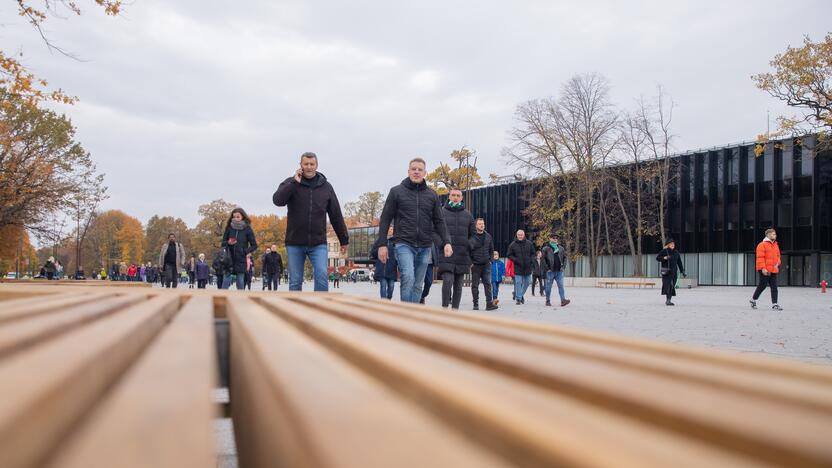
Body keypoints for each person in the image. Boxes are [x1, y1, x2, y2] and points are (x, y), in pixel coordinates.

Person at [376, 158, 452, 303]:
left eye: (420, 169)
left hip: (425, 246)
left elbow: (439, 221)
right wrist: (382, 244)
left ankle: (413, 313)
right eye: (413, 169)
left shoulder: (432, 195)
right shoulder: (396, 192)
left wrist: (447, 241)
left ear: (425, 173)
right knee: (408, 277)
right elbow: (385, 218)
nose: (416, 172)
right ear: (408, 171)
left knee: (418, 284)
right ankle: (406, 316)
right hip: (404, 243)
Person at [273, 152, 349, 292]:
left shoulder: (326, 187)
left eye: (311, 164)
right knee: (295, 281)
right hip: (295, 242)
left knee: (321, 275)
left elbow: (336, 215)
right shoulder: (291, 183)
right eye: (306, 164)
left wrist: (343, 239)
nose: (309, 167)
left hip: (318, 243)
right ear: (300, 165)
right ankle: (295, 312)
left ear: (316, 165)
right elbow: (278, 201)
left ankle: (320, 309)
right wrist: (294, 182)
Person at [435, 189, 475, 310]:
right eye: (453, 195)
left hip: (462, 255)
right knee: (447, 281)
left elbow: (474, 235)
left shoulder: (468, 215)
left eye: (458, 195)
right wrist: (442, 244)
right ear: (449, 197)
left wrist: (469, 244)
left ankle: (455, 310)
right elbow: (434, 232)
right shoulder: (441, 212)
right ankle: (444, 308)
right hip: (446, 254)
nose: (456, 197)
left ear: (462, 198)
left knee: (458, 286)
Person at [221, 208, 258, 290]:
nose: (236, 219)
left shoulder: (247, 229)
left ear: (243, 217)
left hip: (240, 259)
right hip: (229, 258)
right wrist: (228, 243)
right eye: (234, 217)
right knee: (226, 281)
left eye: (238, 217)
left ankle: (241, 300)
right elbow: (223, 243)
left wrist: (244, 251)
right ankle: (222, 299)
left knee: (240, 282)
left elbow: (254, 245)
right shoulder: (229, 228)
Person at [469, 218, 498, 311]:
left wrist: (491, 260)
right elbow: (468, 251)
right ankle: (475, 304)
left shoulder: (488, 236)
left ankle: (489, 304)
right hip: (475, 265)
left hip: (486, 264)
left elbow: (491, 249)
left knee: (488, 284)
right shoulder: (472, 237)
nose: (482, 225)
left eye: (483, 224)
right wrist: (470, 263)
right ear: (476, 226)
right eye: (480, 224)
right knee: (475, 285)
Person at [750, 228, 782, 311]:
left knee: (774, 287)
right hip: (764, 269)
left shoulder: (776, 245)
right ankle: (753, 300)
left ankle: (775, 304)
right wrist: (763, 268)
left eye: (775, 234)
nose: (775, 236)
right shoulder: (762, 245)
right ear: (768, 235)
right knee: (762, 286)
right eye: (773, 234)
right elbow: (760, 258)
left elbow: (778, 256)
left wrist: (778, 263)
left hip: (773, 269)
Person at [542, 233, 571, 307]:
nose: (555, 239)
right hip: (550, 272)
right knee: (548, 287)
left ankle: (563, 300)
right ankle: (547, 301)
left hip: (559, 271)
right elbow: (543, 260)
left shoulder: (561, 248)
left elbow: (565, 258)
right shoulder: (546, 248)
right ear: (550, 239)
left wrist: (563, 267)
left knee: (561, 286)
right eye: (553, 238)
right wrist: (547, 268)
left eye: (556, 238)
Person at [507, 230, 535, 305]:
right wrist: (515, 260)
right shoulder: (513, 244)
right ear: (516, 235)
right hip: (518, 267)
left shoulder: (529, 243)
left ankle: (519, 295)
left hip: (527, 267)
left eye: (521, 235)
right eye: (519, 235)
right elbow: (509, 255)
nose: (520, 236)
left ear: (524, 235)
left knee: (527, 282)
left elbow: (533, 253)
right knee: (518, 282)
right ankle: (518, 299)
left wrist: (531, 261)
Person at [371, 226, 398, 300]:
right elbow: (372, 252)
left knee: (391, 287)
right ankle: (384, 303)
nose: (391, 230)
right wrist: (379, 251)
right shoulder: (380, 240)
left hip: (392, 269)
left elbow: (399, 255)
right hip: (382, 268)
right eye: (389, 229)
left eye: (392, 229)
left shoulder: (396, 242)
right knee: (383, 285)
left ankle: (388, 300)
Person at [656, 238, 686, 306]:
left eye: (673, 244)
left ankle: (668, 300)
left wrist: (682, 271)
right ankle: (668, 300)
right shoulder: (664, 251)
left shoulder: (676, 252)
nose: (673, 245)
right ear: (668, 245)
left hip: (674, 272)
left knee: (672, 286)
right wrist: (664, 258)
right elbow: (657, 258)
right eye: (671, 244)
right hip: (666, 272)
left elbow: (679, 263)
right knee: (669, 285)